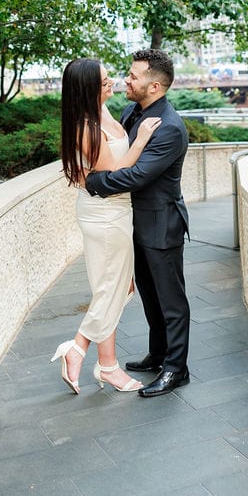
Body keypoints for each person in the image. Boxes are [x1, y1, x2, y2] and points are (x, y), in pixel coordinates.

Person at [50, 58, 162, 394]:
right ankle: (101, 362)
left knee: (114, 287)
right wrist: (141, 140)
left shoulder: (105, 113)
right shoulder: (86, 127)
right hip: (105, 213)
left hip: (114, 212)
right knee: (116, 287)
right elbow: (114, 175)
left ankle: (88, 353)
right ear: (87, 90)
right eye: (103, 81)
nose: (111, 82)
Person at [84, 49, 191, 398]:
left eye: (133, 76)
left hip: (161, 225)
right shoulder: (132, 111)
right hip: (134, 223)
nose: (126, 80)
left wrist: (95, 184)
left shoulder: (170, 128)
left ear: (154, 85)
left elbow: (136, 175)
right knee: (148, 294)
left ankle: (177, 369)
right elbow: (117, 154)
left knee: (171, 301)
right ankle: (158, 353)